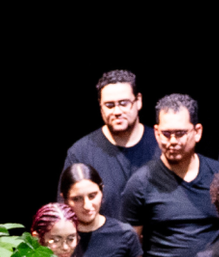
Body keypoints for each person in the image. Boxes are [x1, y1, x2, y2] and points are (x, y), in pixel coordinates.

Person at [117, 95, 219, 257]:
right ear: (156, 132)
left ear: (197, 132)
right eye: (166, 134)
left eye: (180, 133)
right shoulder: (140, 183)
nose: (172, 141)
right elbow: (128, 251)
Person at [59, 69, 153, 198]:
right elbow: (66, 210)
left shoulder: (162, 145)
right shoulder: (81, 153)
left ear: (138, 101)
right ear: (100, 106)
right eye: (109, 105)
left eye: (124, 103)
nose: (117, 111)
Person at [58, 163, 144, 257]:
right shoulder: (54, 236)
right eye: (77, 199)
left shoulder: (124, 234)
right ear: (65, 199)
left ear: (102, 191)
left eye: (92, 196)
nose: (87, 206)